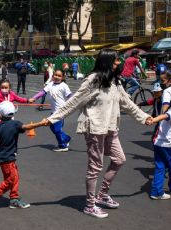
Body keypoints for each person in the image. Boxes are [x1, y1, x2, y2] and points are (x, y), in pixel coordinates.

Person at [36, 49, 152, 218]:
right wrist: (53, 118)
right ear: (106, 62)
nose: (119, 63)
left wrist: (145, 117)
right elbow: (74, 102)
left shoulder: (115, 81)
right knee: (95, 167)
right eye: (115, 60)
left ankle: (102, 195)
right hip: (95, 127)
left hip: (111, 127)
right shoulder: (93, 80)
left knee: (119, 159)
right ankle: (90, 205)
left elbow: (127, 103)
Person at [0, 101, 43, 209]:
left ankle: (14, 198)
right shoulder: (16, 124)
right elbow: (27, 127)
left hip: (2, 158)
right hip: (8, 158)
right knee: (11, 180)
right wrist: (41, 123)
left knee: (14, 177)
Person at [32, 70, 73, 152]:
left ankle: (62, 146)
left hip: (61, 111)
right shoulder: (50, 84)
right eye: (55, 75)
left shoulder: (64, 86)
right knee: (52, 127)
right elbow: (42, 92)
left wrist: (76, 102)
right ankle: (66, 138)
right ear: (53, 75)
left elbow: (70, 96)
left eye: (59, 76)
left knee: (57, 129)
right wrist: (34, 98)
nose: (57, 77)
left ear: (63, 77)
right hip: (53, 111)